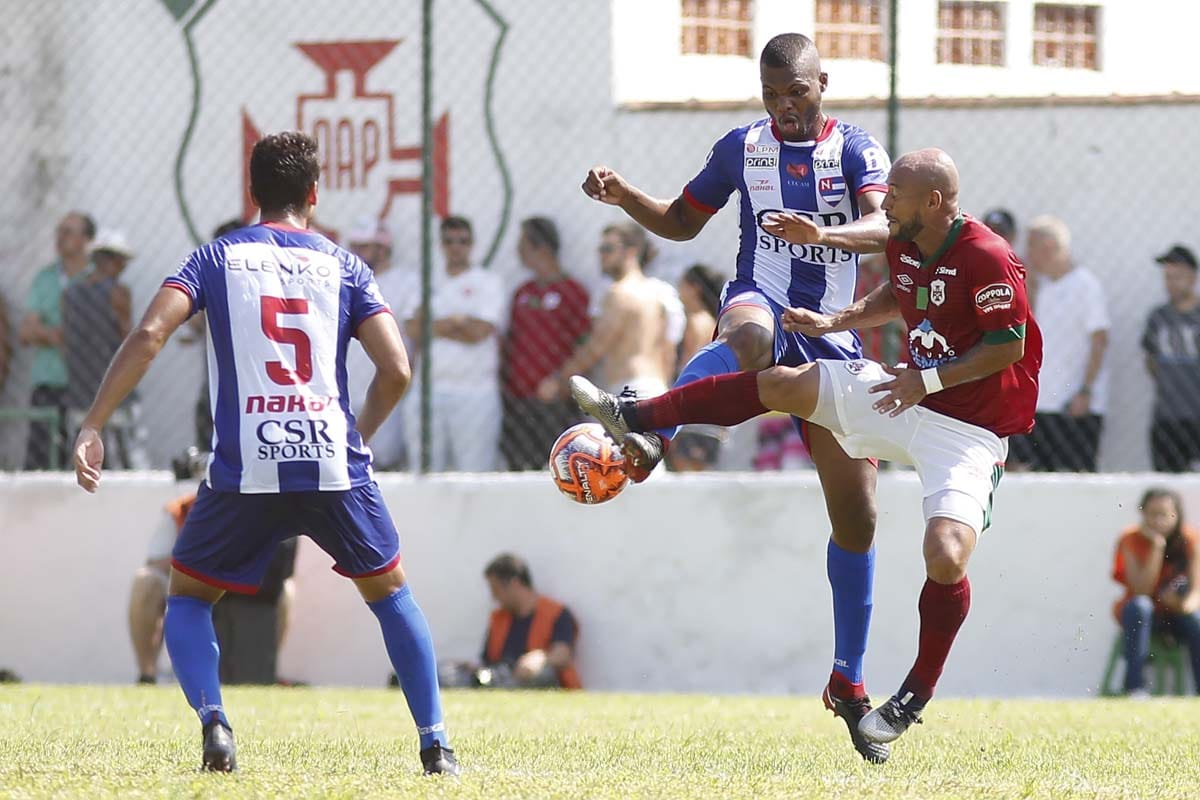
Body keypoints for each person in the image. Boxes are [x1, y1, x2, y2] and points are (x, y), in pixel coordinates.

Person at [572, 148, 1041, 750]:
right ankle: (636, 414)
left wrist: (924, 379)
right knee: (781, 383)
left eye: (895, 192)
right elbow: (902, 295)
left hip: (969, 428)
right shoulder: (905, 237)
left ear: (933, 201)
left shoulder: (987, 254)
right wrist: (837, 321)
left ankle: (914, 694)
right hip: (910, 394)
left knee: (945, 554)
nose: (883, 202)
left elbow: (1006, 346)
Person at [72, 131, 457, 775]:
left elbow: (150, 333)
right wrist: (356, 433)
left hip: (246, 463)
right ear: (314, 193)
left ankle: (216, 726)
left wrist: (95, 422)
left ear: (252, 193)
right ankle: (435, 744)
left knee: (189, 599)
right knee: (391, 595)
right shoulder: (346, 265)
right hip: (331, 460)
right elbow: (396, 369)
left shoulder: (215, 258)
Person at [581, 32, 892, 761]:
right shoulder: (740, 148)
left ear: (824, 85)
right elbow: (684, 220)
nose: (785, 107)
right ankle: (650, 432)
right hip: (761, 298)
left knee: (859, 519)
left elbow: (884, 229)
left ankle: (848, 681)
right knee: (749, 340)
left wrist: (823, 233)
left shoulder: (855, 151)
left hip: (835, 335)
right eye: (772, 94)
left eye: (798, 92)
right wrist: (627, 195)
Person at [130, 491, 297, 685]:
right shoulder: (181, 510)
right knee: (145, 581)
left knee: (288, 589)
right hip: (194, 585)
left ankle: (263, 671)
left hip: (245, 588)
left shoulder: (265, 509)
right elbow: (155, 563)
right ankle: (147, 676)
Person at [1008, 215, 1108, 472]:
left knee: (1074, 474)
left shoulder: (1086, 286)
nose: (1026, 254)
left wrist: (1085, 390)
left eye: (1031, 246)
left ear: (1050, 246)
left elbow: (1100, 341)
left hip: (1073, 403)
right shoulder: (1041, 287)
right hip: (1039, 403)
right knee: (1028, 471)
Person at [405, 215, 504, 471]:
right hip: (428, 391)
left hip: (475, 393)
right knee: (424, 471)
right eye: (449, 241)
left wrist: (434, 326)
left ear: (471, 244)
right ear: (441, 244)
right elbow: (412, 329)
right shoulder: (425, 280)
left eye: (462, 241)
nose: (456, 246)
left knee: (475, 473)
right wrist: (458, 321)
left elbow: (480, 332)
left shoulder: (488, 282)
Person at [537, 223, 674, 404]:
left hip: (630, 390)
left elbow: (597, 346)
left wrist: (558, 379)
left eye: (607, 249)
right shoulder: (657, 293)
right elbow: (667, 352)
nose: (601, 255)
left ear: (631, 252)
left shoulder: (619, 293)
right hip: (657, 388)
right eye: (600, 249)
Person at [501, 217, 590, 470]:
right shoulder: (522, 292)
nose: (517, 251)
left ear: (542, 248)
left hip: (555, 401)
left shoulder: (573, 292)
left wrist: (562, 382)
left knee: (557, 469)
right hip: (517, 401)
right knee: (517, 468)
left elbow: (583, 346)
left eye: (522, 243)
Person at [62, 229, 148, 469]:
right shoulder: (118, 292)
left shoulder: (70, 293)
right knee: (128, 456)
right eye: (121, 261)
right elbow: (127, 337)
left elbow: (65, 341)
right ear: (111, 260)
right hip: (115, 383)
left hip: (81, 386)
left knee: (85, 453)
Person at [19, 212, 95, 469]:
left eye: (69, 232)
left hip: (86, 384)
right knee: (41, 457)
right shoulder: (45, 278)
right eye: (59, 231)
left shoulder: (96, 278)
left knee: (82, 459)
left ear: (86, 240)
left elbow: (97, 332)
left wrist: (46, 332)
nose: (60, 238)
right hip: (49, 381)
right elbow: (26, 332)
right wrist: (58, 336)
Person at [1112, 488, 1200, 695]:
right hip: (1141, 614)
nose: (1159, 520)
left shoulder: (1190, 540)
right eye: (1152, 514)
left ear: (1177, 515)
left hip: (1176, 612)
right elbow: (1141, 590)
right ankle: (1135, 688)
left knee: (1196, 620)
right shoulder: (1130, 538)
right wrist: (1157, 546)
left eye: (1165, 514)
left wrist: (1181, 605)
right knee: (1140, 607)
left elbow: (1196, 592)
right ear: (1142, 514)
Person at [345, 217, 412, 470]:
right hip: (347, 391)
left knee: (382, 462)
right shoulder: (346, 280)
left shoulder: (407, 282)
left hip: (384, 391)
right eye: (355, 246)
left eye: (364, 247)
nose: (356, 253)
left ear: (383, 248)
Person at [1141, 245, 1200, 472]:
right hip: (1167, 416)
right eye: (1167, 277)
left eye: (1178, 277)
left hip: (1197, 414)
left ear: (1193, 277)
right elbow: (1151, 359)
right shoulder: (1158, 317)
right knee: (1166, 480)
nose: (1171, 283)